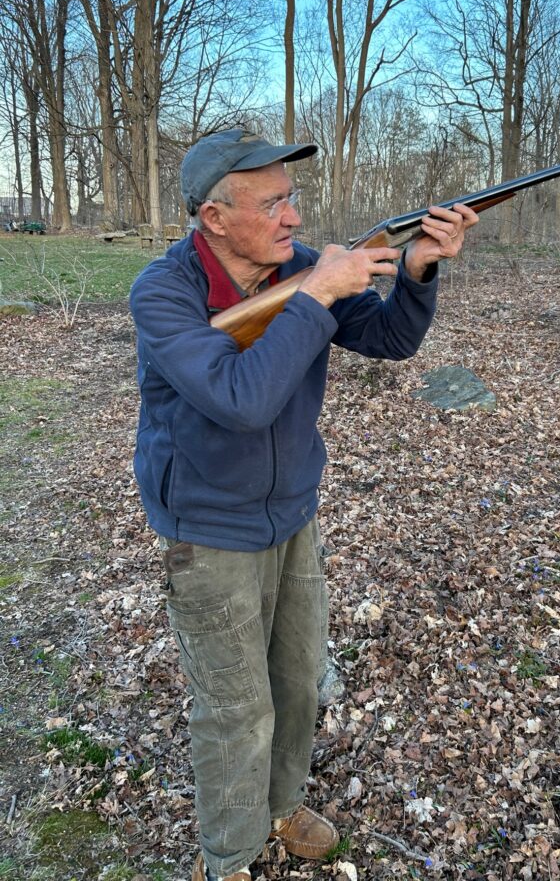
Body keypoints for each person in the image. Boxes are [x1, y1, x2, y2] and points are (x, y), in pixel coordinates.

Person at [129, 129, 478, 881]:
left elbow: (388, 339)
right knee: (234, 708)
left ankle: (282, 805)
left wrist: (415, 271)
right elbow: (240, 400)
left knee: (295, 680)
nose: (293, 218)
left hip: (293, 513)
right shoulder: (164, 293)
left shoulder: (304, 267)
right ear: (212, 218)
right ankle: (227, 856)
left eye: (293, 198)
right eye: (272, 203)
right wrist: (318, 293)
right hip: (209, 530)